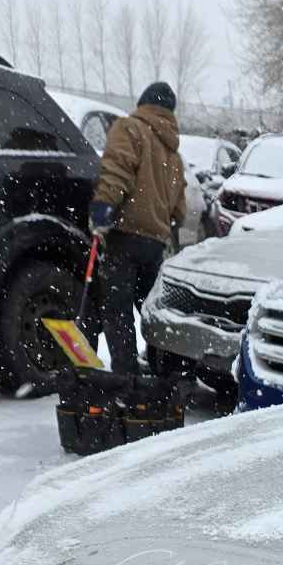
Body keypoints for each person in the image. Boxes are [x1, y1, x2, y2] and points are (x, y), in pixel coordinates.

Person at [90, 82, 187, 377]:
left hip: (125, 236)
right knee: (151, 313)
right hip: (155, 243)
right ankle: (164, 374)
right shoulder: (174, 153)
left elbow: (117, 171)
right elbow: (179, 210)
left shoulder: (129, 128)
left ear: (143, 102)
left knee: (117, 312)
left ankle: (125, 376)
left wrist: (102, 209)